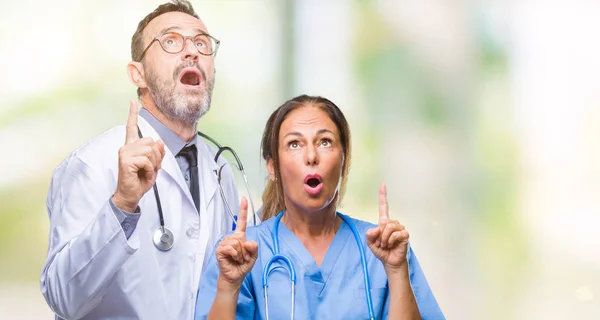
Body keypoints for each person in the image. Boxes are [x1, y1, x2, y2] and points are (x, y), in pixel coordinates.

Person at [40, 1, 247, 319]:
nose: (191, 51)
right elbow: (62, 297)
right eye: (171, 41)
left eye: (202, 43)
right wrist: (122, 204)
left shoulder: (219, 170)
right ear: (138, 74)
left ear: (212, 71)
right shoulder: (92, 164)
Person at [194, 95, 445, 319]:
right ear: (273, 167)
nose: (311, 156)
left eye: (325, 142)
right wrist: (228, 285)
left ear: (344, 160)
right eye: (294, 144)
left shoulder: (385, 249)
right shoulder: (241, 253)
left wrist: (396, 270)